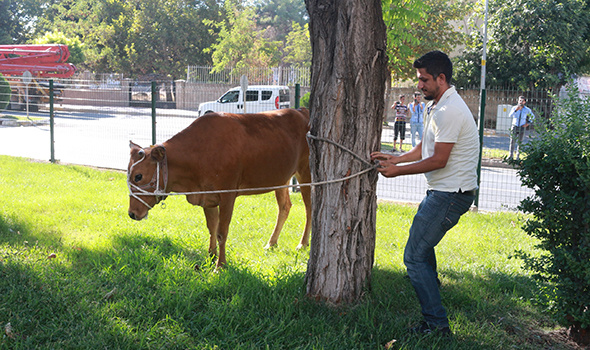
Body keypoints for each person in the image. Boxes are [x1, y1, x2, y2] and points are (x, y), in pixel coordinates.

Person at [371, 51, 479, 337]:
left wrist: (397, 172)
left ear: (441, 79)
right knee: (422, 249)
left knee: (414, 257)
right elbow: (425, 149)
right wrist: (396, 158)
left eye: (424, 80)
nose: (419, 85)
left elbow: (438, 160)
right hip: (441, 192)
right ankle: (434, 302)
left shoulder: (450, 110)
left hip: (451, 194)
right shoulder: (438, 105)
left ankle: (437, 325)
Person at [508, 96, 535, 160]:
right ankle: (510, 155)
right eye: (520, 100)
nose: (521, 102)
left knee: (520, 142)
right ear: (518, 101)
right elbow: (510, 115)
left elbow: (532, 116)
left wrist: (528, 123)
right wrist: (516, 110)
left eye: (522, 101)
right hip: (515, 126)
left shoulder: (527, 109)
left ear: (524, 102)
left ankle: (518, 156)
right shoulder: (514, 108)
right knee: (512, 141)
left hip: (522, 127)